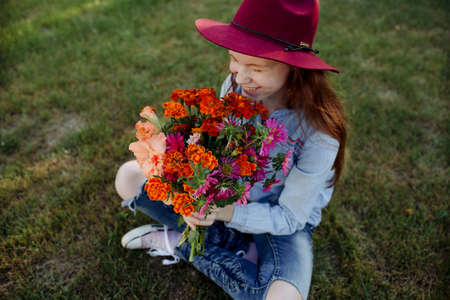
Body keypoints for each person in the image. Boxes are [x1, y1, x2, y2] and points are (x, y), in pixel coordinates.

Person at [115, 0, 347, 299]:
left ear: (295, 69)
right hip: (226, 194)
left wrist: (221, 212)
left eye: (257, 67)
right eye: (234, 59)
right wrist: (192, 188)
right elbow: (219, 152)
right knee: (128, 178)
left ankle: (183, 244)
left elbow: (289, 218)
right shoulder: (237, 87)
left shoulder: (318, 134)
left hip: (277, 225)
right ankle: (235, 249)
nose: (240, 76)